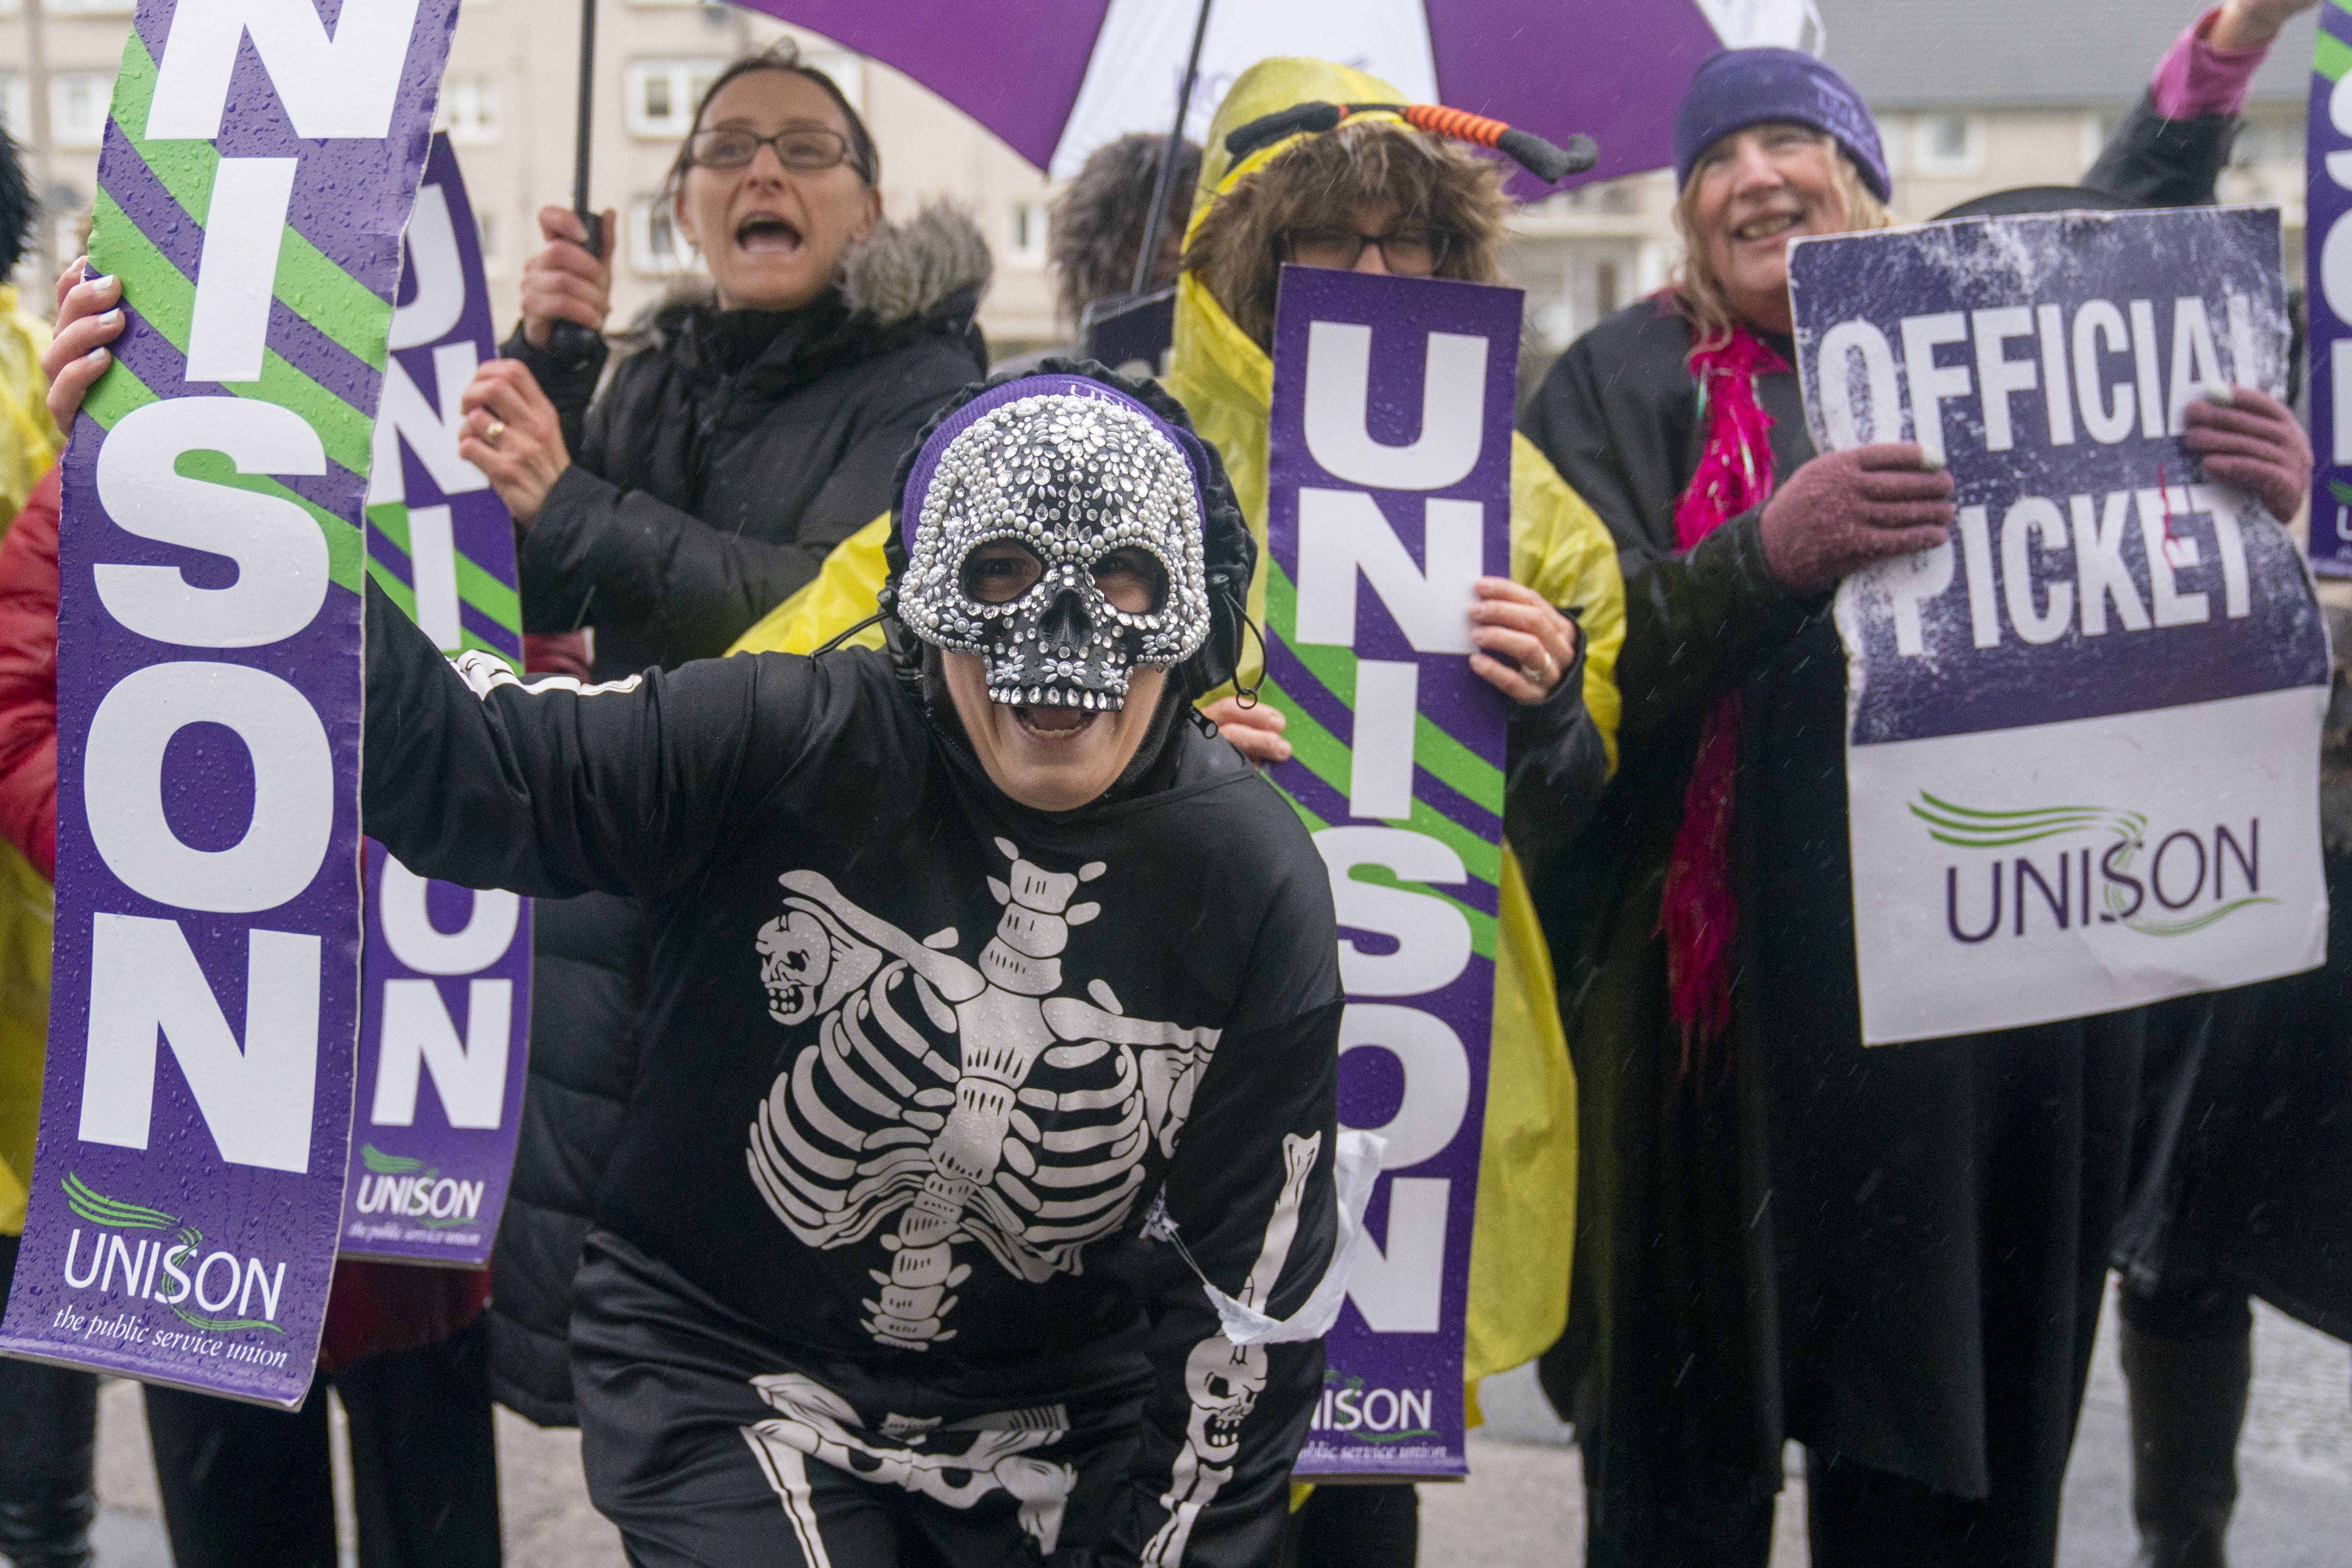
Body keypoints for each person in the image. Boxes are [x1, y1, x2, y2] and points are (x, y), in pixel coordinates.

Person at [730, 59, 1628, 1567]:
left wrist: (1550, 703)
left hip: (1398, 1088)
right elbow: (836, 657)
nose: (1374, 274)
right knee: (1144, 1477)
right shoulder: (1095, 449)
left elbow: (1583, 788)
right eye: (1329, 238)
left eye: (1409, 241)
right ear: (1241, 248)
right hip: (1123, 1085)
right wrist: (1133, 751)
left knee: (1347, 1490)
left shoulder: (1509, 487)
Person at [1515, 12, 2316, 1566]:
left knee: (1940, 1462)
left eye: (1790, 141)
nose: (1754, 177)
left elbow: (2130, 240)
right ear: (1683, 215)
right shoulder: (1615, 386)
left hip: (1952, 1053)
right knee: (1682, 1466)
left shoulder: (1966, 339)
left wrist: (2230, 515)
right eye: (1717, 158)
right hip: (1705, 1048)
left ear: (1862, 181)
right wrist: (1765, 555)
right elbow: (1582, 679)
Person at [362, 363, 1357, 1566]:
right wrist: (218, 469)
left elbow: (1242, 1318)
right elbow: (481, 765)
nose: (1058, 633)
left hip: (1058, 1411)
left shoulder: (1245, 875)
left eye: (1119, 578)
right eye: (1001, 570)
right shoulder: (790, 734)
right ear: (922, 600)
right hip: (732, 1361)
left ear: (1191, 612)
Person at [0, 451, 509, 1566]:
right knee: (235, 1515)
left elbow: (538, 668)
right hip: (194, 1104)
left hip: (408, 1084)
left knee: (432, 1508)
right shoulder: (104, 464)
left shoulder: (435, 432)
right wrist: (150, 859)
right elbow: (19, 703)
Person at [992, 133, 1202, 377]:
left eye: (1190, 225)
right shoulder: (1033, 388)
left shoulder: (1232, 387)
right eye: (1156, 230)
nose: (1177, 248)